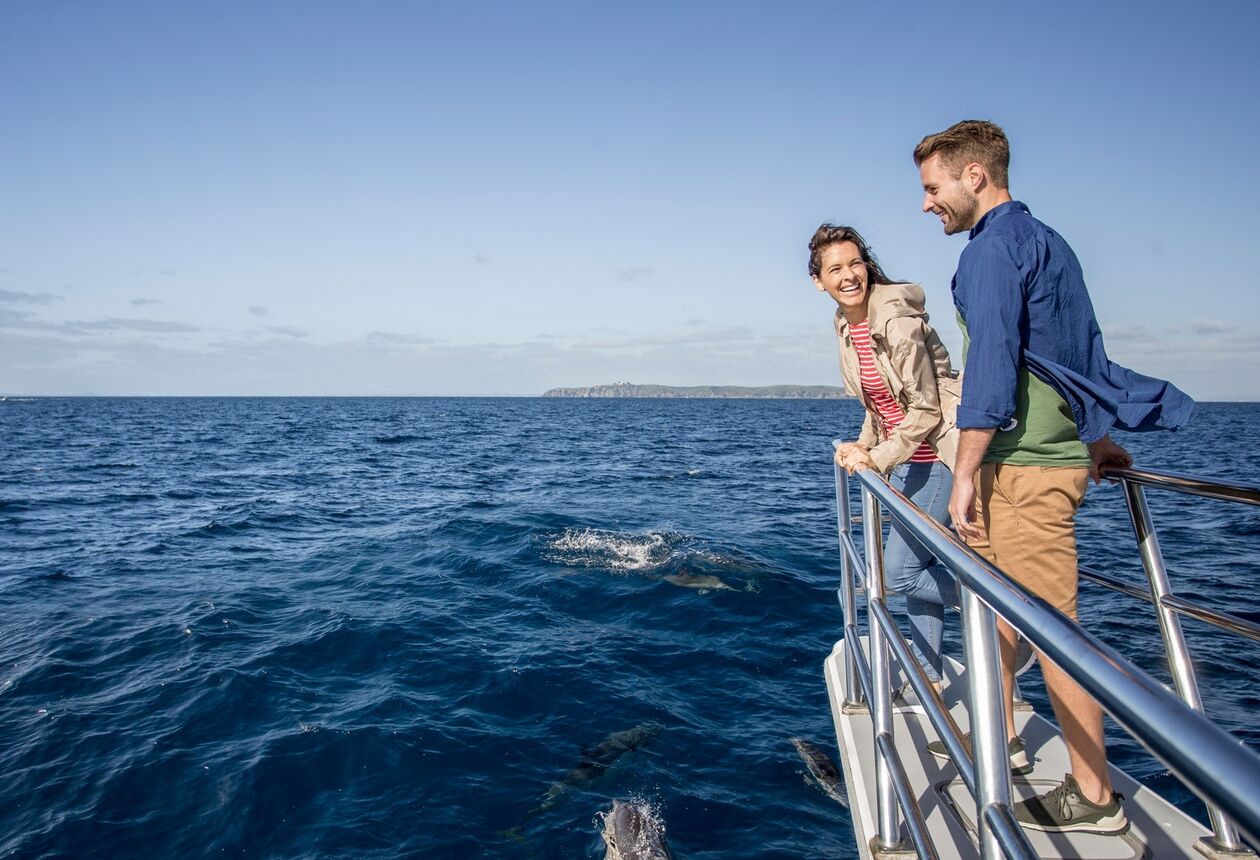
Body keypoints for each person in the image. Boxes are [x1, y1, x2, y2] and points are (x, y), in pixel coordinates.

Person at [914, 119, 1196, 835]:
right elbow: (1074, 351)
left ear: (975, 175)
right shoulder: (1048, 241)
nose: (927, 203)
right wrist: (1095, 437)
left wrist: (965, 471)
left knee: (1052, 630)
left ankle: (1094, 795)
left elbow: (993, 361)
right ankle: (1001, 732)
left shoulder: (990, 250)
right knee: (998, 610)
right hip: (1044, 459)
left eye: (933, 187)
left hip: (1020, 470)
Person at [809, 223, 961, 697]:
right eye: (835, 269)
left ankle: (1002, 607)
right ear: (819, 281)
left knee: (899, 573)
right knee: (916, 564)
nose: (848, 275)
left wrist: (876, 458)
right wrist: (861, 446)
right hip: (909, 458)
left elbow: (926, 408)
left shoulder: (895, 320)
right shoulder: (846, 323)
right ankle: (928, 676)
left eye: (855, 263)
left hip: (940, 456)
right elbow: (880, 405)